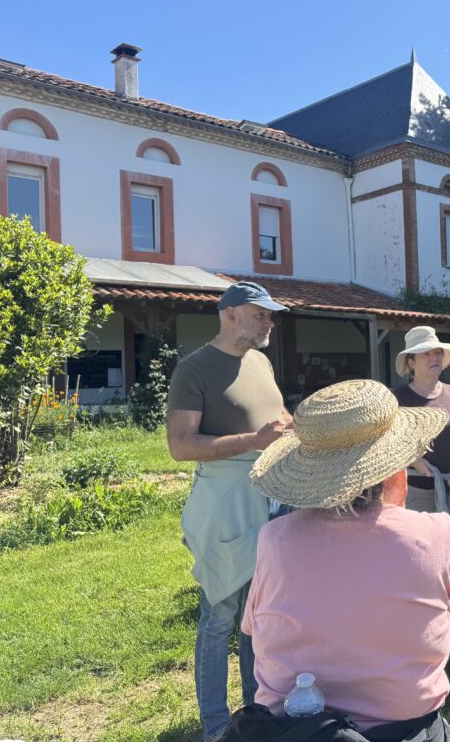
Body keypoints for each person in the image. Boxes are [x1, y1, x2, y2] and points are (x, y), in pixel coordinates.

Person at [243, 379, 450, 741]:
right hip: (405, 730)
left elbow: (253, 629)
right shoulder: (436, 533)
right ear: (396, 469)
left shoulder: (274, 539)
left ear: (309, 476)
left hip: (296, 730)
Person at [166, 281, 293, 742]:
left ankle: (255, 712)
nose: (269, 323)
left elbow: (276, 419)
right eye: (261, 314)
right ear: (232, 313)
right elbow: (181, 446)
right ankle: (216, 726)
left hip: (270, 497)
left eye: (270, 316)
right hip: (223, 505)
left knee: (258, 614)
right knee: (219, 617)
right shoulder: (194, 369)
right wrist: (253, 441)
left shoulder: (259, 361)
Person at [391, 326, 450, 540]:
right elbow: (387, 446)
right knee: (417, 554)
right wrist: (414, 460)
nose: (434, 357)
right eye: (426, 353)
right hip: (415, 493)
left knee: (449, 554)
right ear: (411, 362)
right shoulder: (397, 399)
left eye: (437, 352)